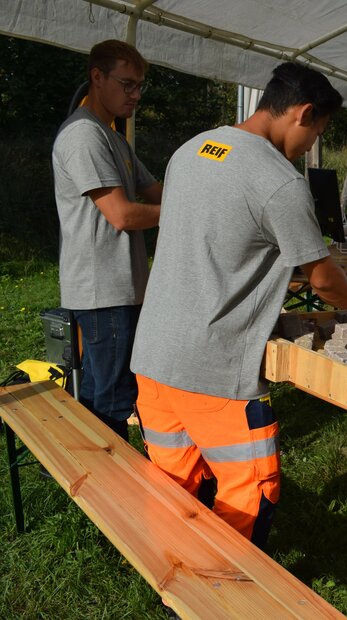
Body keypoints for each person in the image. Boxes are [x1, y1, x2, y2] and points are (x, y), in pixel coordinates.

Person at [129, 62, 347, 549]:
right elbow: (325, 281)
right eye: (317, 134)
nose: (310, 148)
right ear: (303, 113)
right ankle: (226, 595)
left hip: (154, 354)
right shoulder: (278, 182)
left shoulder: (192, 149)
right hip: (215, 370)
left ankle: (175, 587)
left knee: (172, 489)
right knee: (249, 495)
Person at [52, 40, 162, 441]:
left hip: (120, 288)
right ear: (97, 78)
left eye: (140, 87)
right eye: (127, 85)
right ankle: (106, 488)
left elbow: (155, 191)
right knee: (112, 399)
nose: (135, 95)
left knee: (103, 391)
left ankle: (84, 470)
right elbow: (122, 214)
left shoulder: (113, 136)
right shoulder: (84, 136)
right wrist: (188, 215)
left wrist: (204, 186)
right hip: (103, 291)